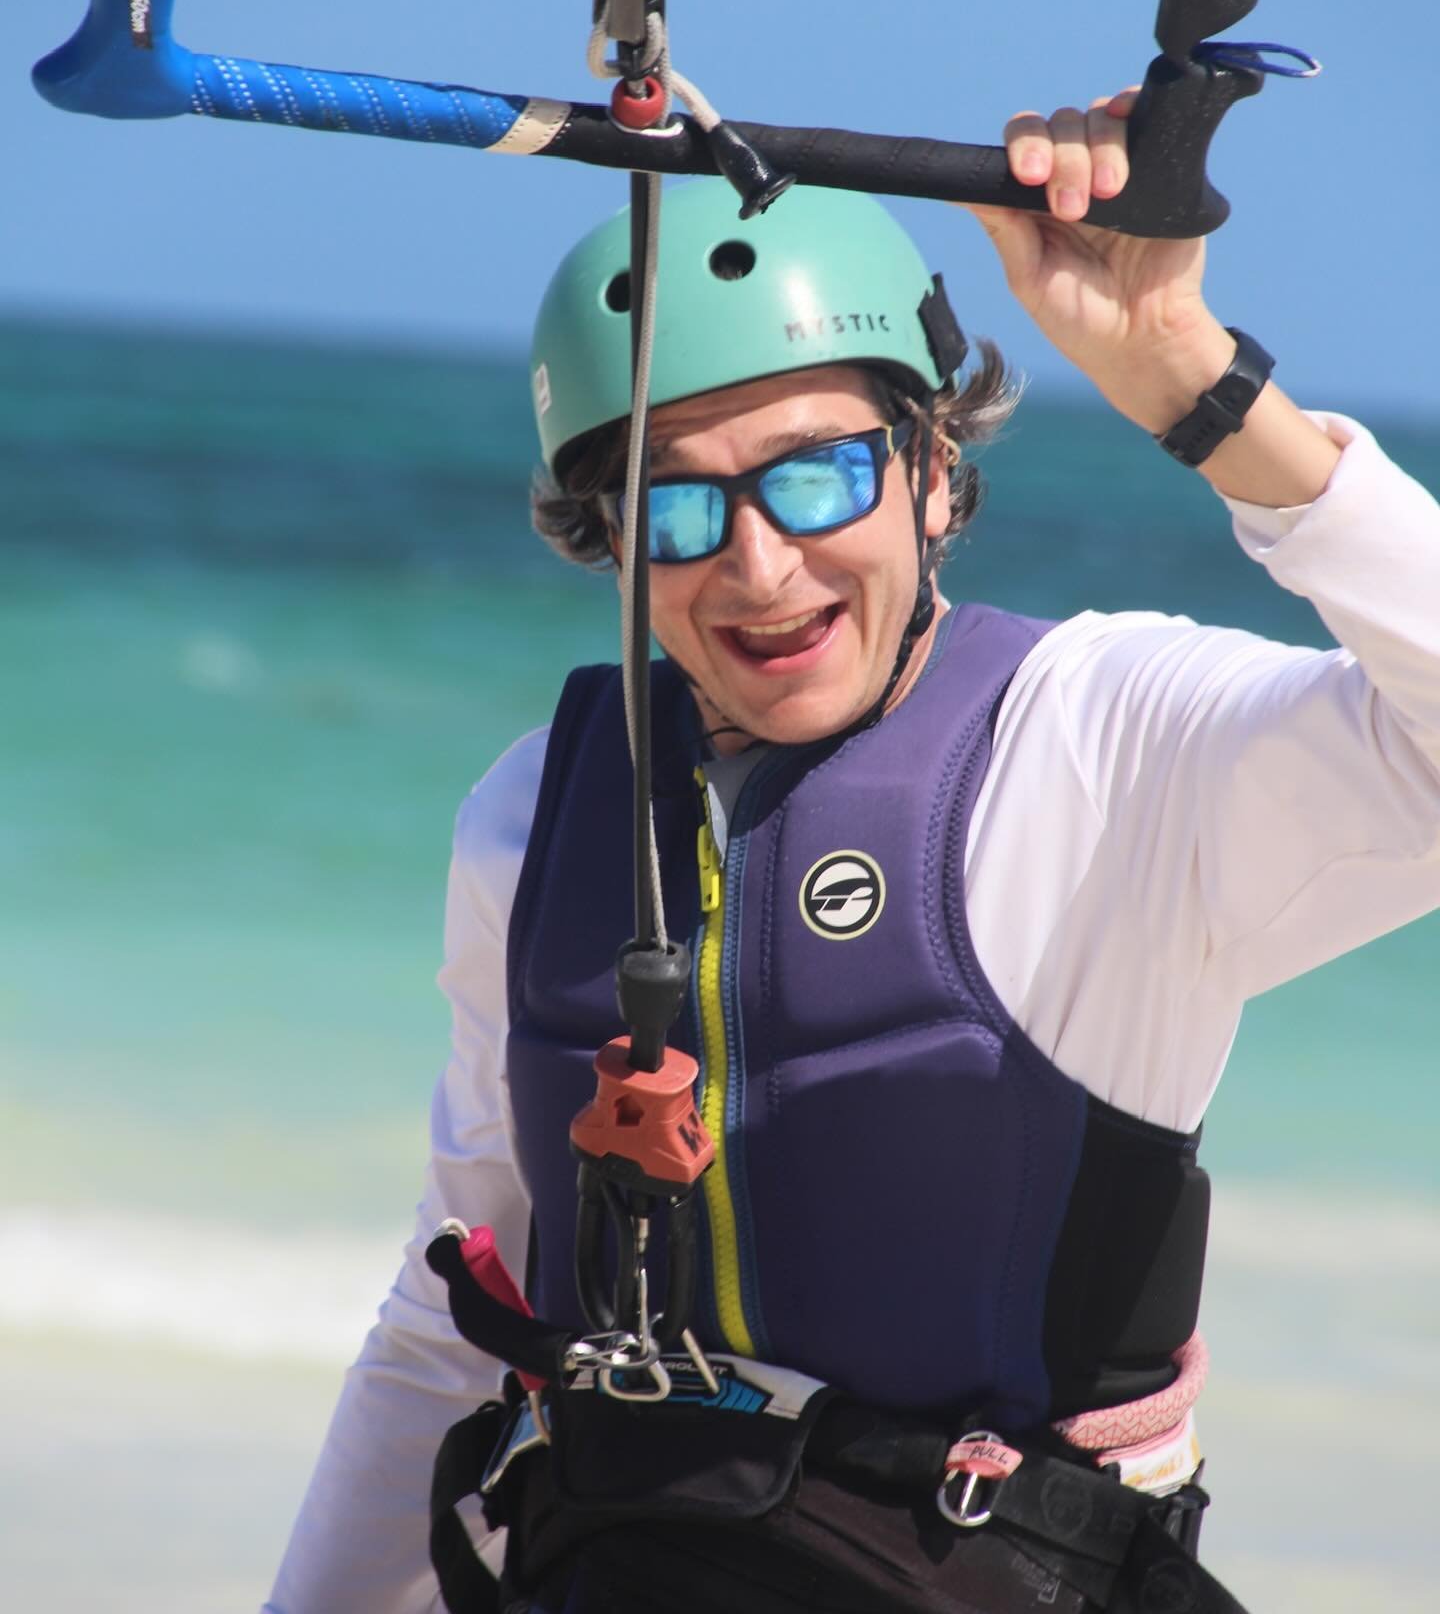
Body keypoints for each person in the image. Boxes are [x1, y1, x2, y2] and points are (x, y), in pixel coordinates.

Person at [264, 93, 1440, 1613]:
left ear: (933, 469)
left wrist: (1188, 378)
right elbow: (455, 1316)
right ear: (606, 540)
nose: (760, 568)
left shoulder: (1105, 748)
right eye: (675, 507)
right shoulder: (529, 816)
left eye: (818, 475)